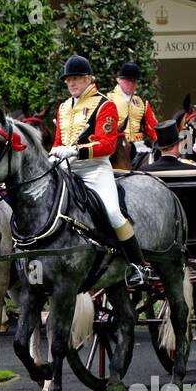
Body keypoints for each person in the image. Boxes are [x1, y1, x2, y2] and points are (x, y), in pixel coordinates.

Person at [51, 54, 145, 287]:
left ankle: (138, 265)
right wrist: (52, 153)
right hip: (66, 168)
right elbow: (57, 141)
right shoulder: (63, 107)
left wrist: (75, 152)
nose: (72, 83)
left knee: (113, 213)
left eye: (77, 78)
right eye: (69, 80)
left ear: (89, 79)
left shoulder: (105, 105)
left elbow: (107, 145)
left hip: (94, 169)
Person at [104, 62, 158, 171]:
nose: (130, 84)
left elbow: (153, 128)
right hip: (117, 147)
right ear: (118, 80)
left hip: (139, 148)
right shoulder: (107, 99)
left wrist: (162, 143)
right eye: (127, 80)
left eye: (133, 81)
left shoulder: (142, 102)